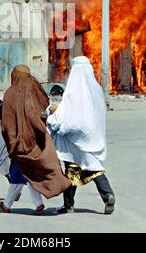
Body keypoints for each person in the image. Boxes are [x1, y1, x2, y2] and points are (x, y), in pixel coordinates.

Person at [47, 56, 115, 215]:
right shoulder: (97, 90)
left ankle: (68, 205)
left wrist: (52, 114)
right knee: (94, 167)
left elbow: (63, 120)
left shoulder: (72, 93)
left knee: (71, 169)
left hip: (73, 140)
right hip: (92, 138)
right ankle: (108, 195)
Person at [0, 65, 71, 213]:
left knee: (19, 172)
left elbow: (7, 122)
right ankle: (37, 203)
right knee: (30, 172)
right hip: (36, 140)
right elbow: (45, 108)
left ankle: (8, 204)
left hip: (19, 142)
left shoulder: (9, 94)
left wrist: (11, 140)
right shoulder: (36, 90)